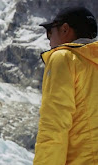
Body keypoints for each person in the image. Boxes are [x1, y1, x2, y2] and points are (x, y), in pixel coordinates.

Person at [34, 6, 98, 165]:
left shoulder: (64, 58)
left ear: (65, 29)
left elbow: (54, 127)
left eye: (50, 31)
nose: (48, 39)